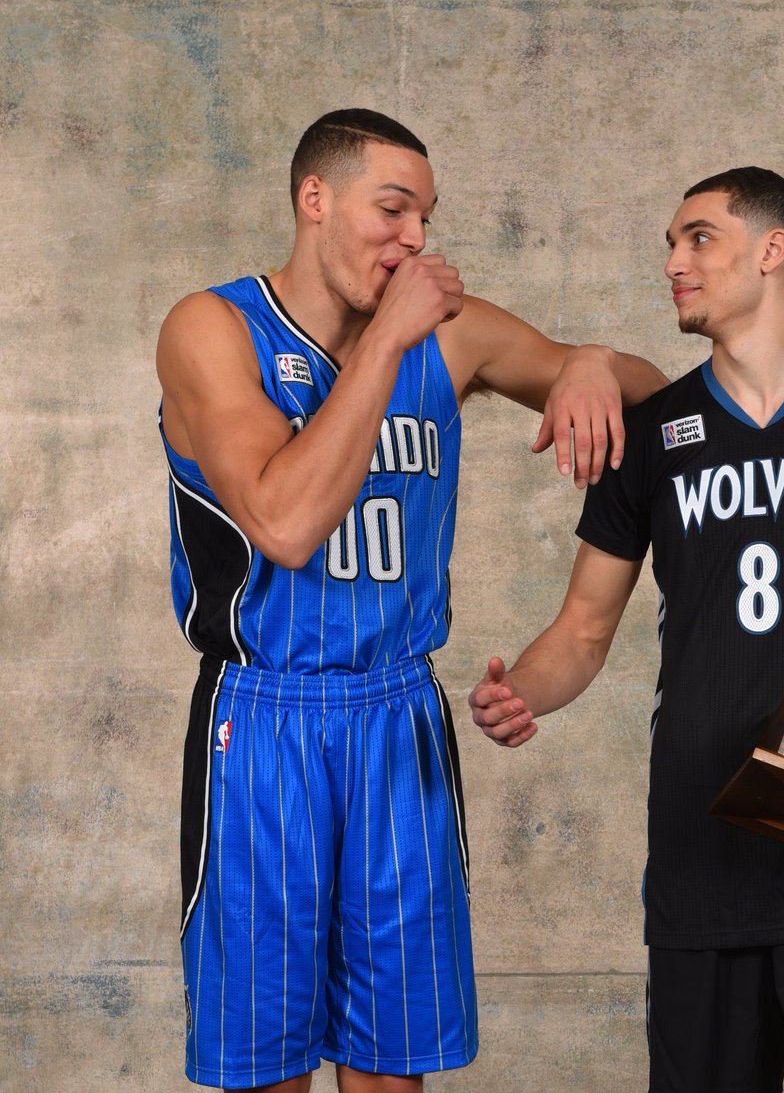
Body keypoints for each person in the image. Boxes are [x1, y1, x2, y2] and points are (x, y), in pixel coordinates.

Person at [156, 108, 666, 1093]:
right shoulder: (212, 330)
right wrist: (388, 339)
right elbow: (286, 524)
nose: (415, 241)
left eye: (425, 219)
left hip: (399, 716)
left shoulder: (454, 336)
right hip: (264, 722)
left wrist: (594, 363)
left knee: (392, 1066)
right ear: (316, 200)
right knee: (268, 1069)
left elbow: (655, 402)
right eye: (392, 211)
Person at [469, 167, 784, 1093]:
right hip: (699, 851)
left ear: (771, 249)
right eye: (670, 243)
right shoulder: (658, 430)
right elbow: (584, 631)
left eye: (697, 237)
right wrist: (522, 691)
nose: (674, 261)